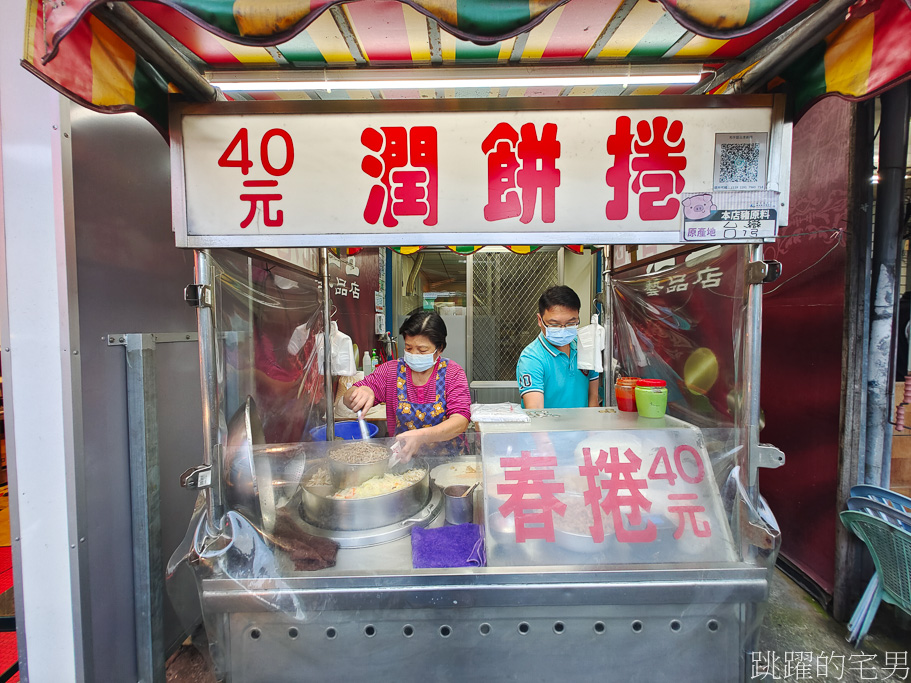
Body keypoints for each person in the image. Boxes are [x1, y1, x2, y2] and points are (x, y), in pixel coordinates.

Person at [344, 310, 470, 460]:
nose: (414, 355)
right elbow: (348, 397)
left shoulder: (452, 373)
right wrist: (361, 391)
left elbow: (460, 421)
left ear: (440, 348)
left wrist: (421, 436)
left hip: (449, 462)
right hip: (404, 461)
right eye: (409, 348)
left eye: (422, 350)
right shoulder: (391, 371)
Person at [516, 285, 600, 409]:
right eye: (554, 324)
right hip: (548, 427)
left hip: (584, 426)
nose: (563, 329)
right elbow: (536, 411)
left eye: (571, 323)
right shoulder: (531, 359)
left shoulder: (585, 347)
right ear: (540, 320)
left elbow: (593, 400)